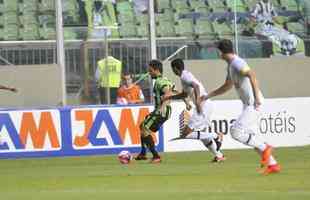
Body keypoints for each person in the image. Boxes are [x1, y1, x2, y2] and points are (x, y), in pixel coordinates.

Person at [203, 39, 280, 174]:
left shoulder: (237, 63)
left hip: (254, 104)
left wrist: (256, 98)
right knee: (251, 137)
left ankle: (266, 148)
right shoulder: (230, 66)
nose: (217, 53)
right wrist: (208, 96)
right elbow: (227, 86)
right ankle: (273, 165)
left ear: (221, 52)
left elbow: (252, 75)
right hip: (248, 105)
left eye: (218, 51)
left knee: (236, 132)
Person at [162, 58, 225, 163]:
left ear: (175, 69)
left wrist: (198, 102)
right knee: (202, 136)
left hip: (203, 106)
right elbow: (184, 94)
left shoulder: (184, 76)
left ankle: (216, 136)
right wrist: (169, 98)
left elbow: (196, 86)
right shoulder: (185, 76)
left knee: (186, 134)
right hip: (206, 105)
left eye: (172, 69)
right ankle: (219, 155)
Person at [135, 60, 173, 163]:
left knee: (144, 128)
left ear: (156, 70)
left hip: (161, 111)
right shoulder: (165, 80)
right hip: (162, 110)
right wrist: (186, 102)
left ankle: (156, 156)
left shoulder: (160, 82)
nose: (149, 73)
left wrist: (162, 107)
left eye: (150, 70)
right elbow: (175, 91)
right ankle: (143, 153)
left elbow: (168, 93)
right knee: (142, 126)